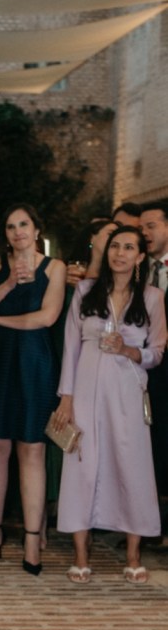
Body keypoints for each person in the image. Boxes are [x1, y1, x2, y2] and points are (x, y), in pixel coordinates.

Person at [53, 226, 166, 583]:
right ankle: (80, 555)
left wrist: (128, 350)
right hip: (85, 391)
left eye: (129, 247)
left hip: (127, 392)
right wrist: (66, 399)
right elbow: (70, 347)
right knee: (81, 465)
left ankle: (133, 555)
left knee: (132, 465)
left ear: (140, 256)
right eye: (115, 246)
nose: (120, 253)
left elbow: (157, 352)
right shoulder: (85, 290)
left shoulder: (152, 297)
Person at [0, 204, 66, 574]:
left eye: (23, 224)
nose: (17, 232)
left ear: (36, 229)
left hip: (34, 364)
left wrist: (0, 321)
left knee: (32, 450)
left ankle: (31, 540)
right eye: (10, 226)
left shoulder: (54, 267)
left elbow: (48, 317)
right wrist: (10, 283)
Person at [140, 201, 168, 524]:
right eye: (141, 227)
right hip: (146, 369)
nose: (145, 233)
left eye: (151, 226)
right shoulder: (138, 270)